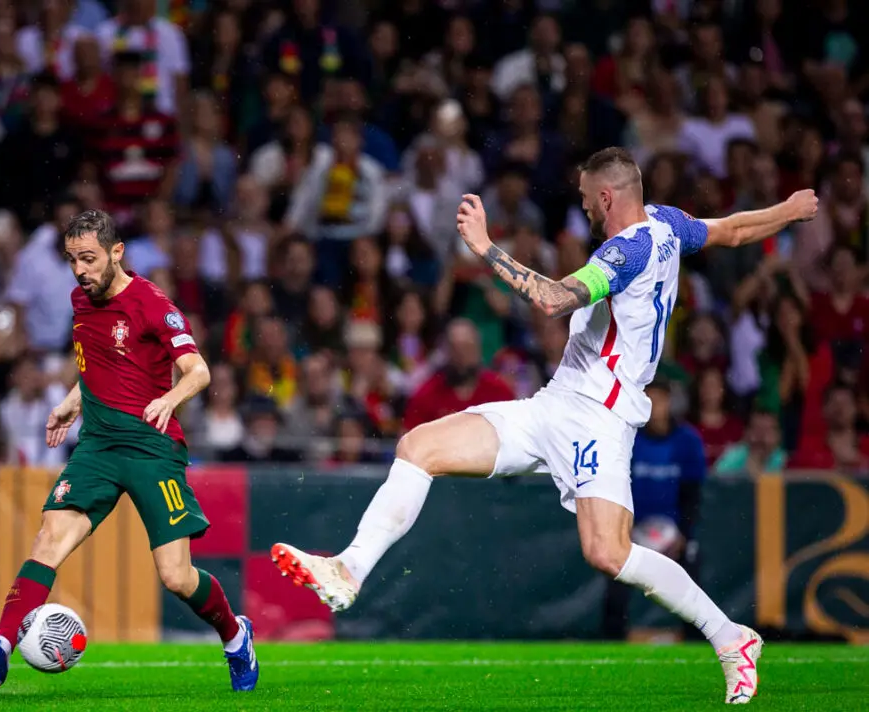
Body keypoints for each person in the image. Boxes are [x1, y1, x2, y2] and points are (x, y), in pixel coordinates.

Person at [272, 147, 818, 705]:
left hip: (599, 419)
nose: (582, 208)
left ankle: (731, 637)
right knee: (419, 446)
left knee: (608, 552)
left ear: (606, 197)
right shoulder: (669, 223)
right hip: (553, 404)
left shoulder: (624, 253)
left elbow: (555, 299)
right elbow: (731, 230)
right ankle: (350, 568)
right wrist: (790, 209)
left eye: (585, 199)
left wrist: (485, 248)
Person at [0, 210, 258, 692]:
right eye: (73, 259)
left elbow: (197, 370)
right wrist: (72, 403)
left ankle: (235, 634)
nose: (80, 270)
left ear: (117, 253)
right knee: (48, 540)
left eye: (89, 258)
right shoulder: (82, 298)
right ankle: (1, 650)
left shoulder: (154, 305)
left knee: (176, 577)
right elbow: (99, 364)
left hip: (151, 450)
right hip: (96, 447)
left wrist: (168, 398)